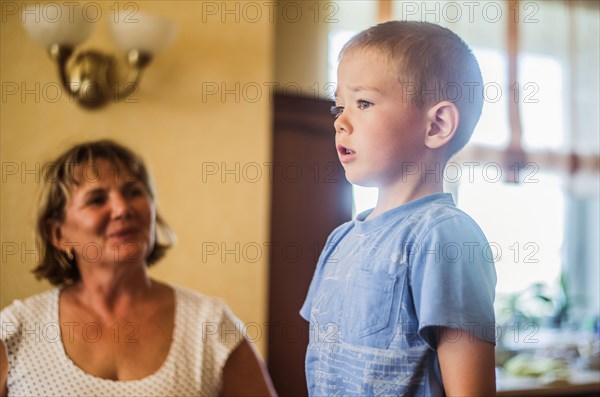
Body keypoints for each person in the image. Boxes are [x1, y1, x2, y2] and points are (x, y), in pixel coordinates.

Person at [300, 21, 497, 396]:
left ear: (437, 124)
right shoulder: (339, 241)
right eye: (338, 106)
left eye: (364, 103)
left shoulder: (443, 235)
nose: (340, 122)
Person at [0, 140, 277, 397]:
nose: (122, 208)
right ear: (58, 234)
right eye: (97, 199)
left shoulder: (212, 325)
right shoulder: (15, 331)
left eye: (133, 192)